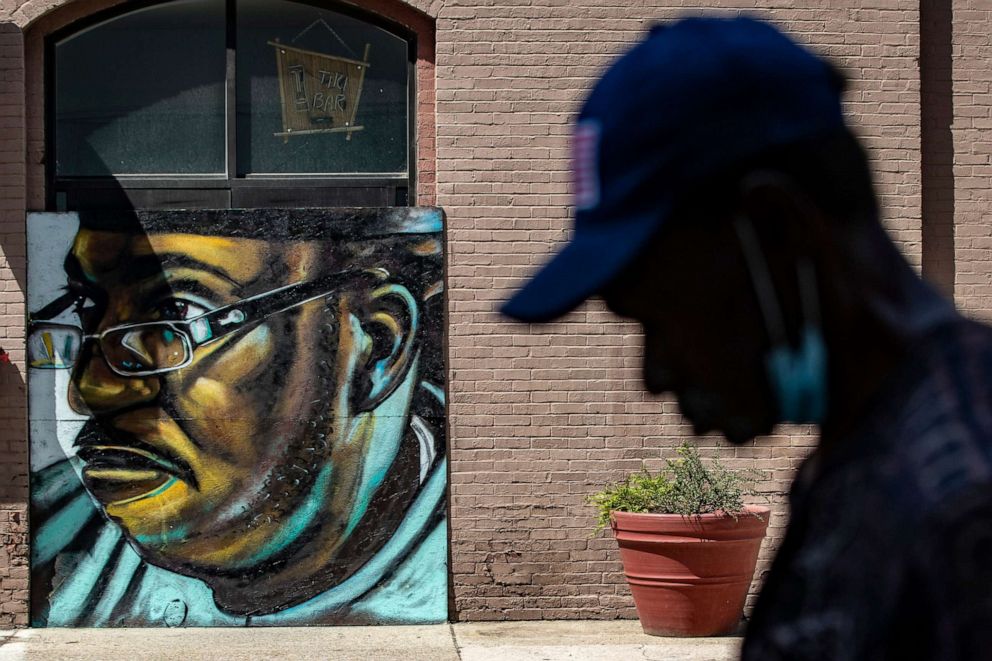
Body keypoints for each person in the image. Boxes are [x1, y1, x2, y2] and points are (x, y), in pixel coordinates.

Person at [503, 16, 992, 660]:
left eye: (661, 314)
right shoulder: (870, 453)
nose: (655, 373)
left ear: (777, 233)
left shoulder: (964, 506)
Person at [27, 207, 447, 626]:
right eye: (86, 310)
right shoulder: (54, 521)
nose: (91, 389)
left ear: (376, 345)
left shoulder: (463, 550)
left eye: (177, 316)